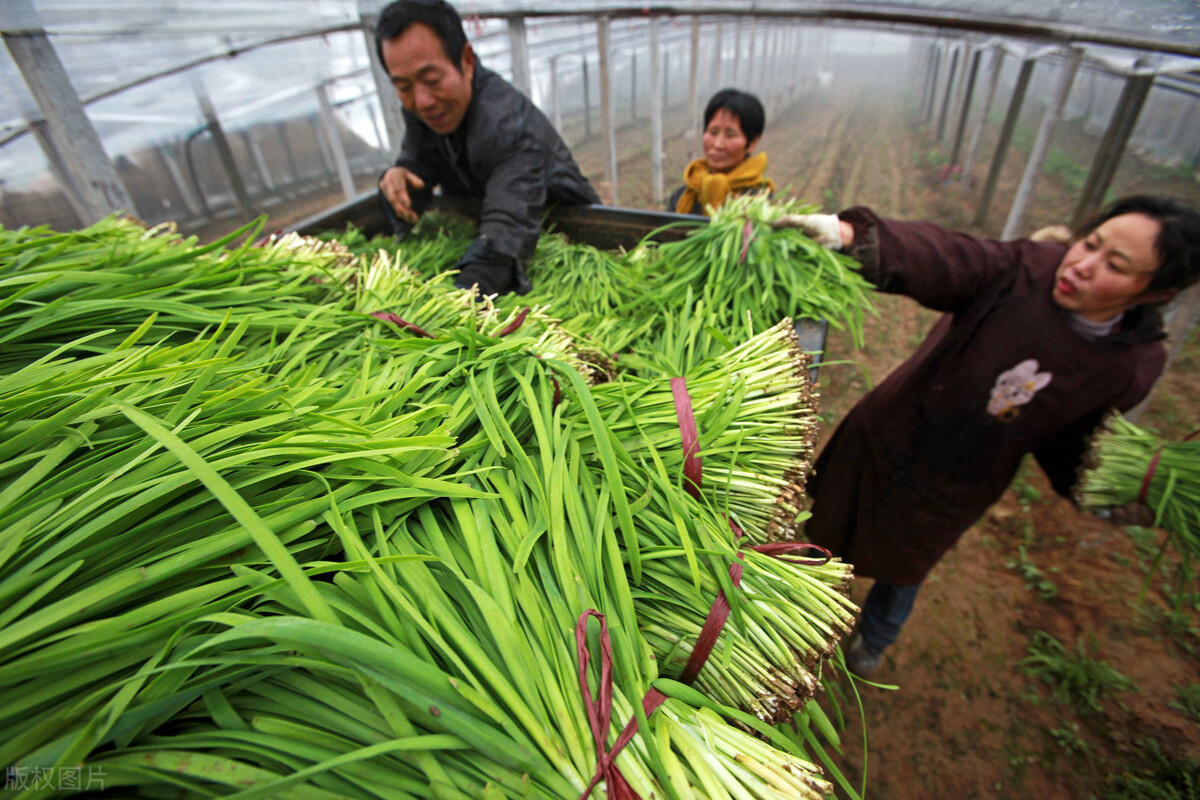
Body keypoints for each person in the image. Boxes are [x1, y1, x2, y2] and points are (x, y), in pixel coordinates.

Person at [773, 196, 1200, 675]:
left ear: (1156, 293)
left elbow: (1074, 444)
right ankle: (790, 620)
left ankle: (874, 639)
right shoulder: (1027, 269)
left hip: (957, 484)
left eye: (1114, 265)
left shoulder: (1129, 366)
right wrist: (851, 237)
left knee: (905, 569)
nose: (1082, 264)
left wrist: (1110, 489)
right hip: (890, 434)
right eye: (1091, 243)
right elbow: (953, 257)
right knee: (824, 533)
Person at [374, 0, 601, 297]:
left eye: (432, 79)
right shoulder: (423, 107)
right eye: (403, 87)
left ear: (466, 61)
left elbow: (503, 241)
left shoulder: (505, 123)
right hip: (487, 220)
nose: (422, 101)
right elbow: (420, 159)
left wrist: (454, 306)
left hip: (566, 232)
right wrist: (402, 176)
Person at [667, 89, 774, 216]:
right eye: (713, 132)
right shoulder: (682, 196)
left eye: (730, 135)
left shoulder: (757, 201)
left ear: (752, 144)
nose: (718, 144)